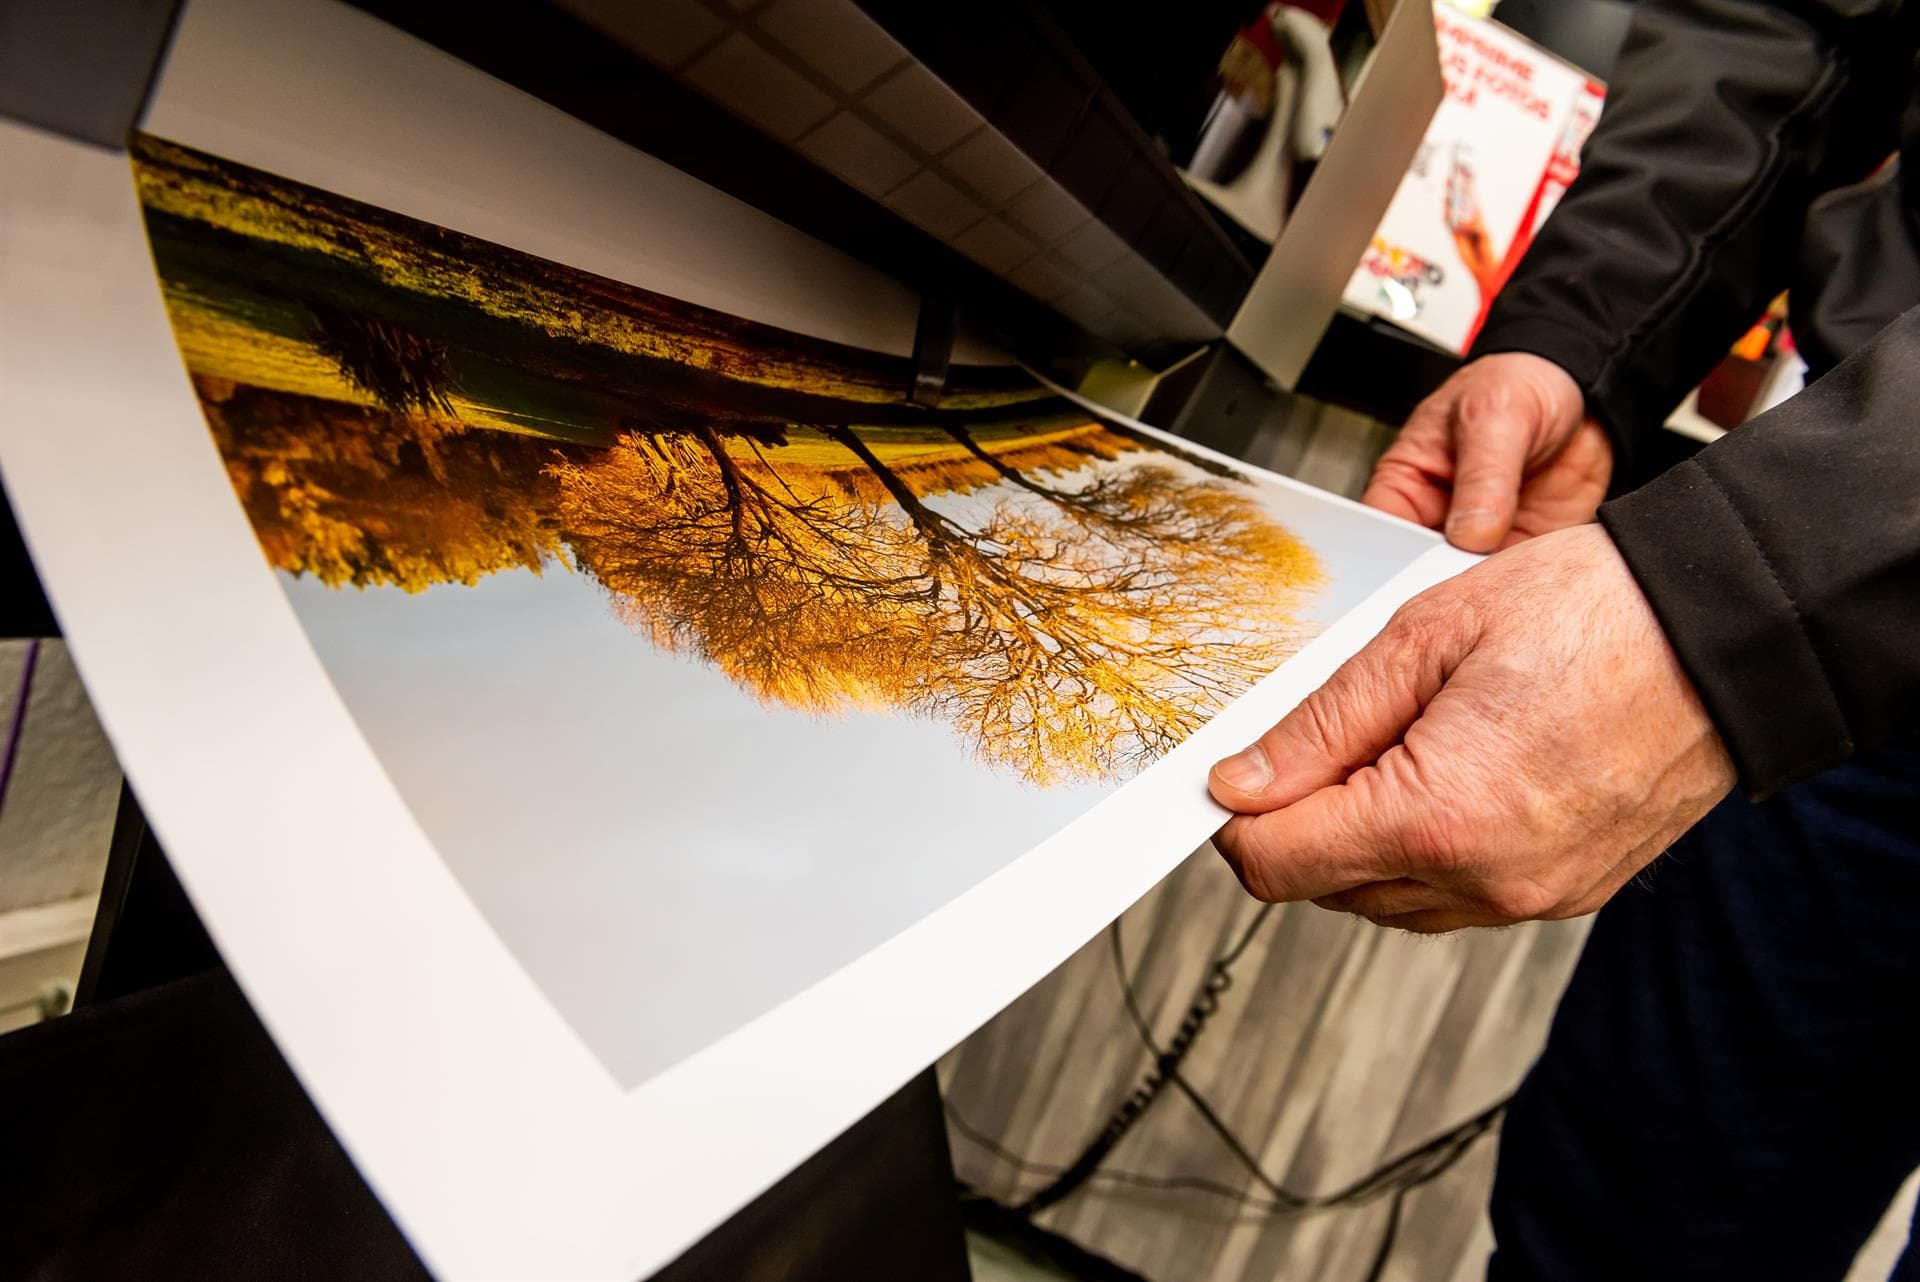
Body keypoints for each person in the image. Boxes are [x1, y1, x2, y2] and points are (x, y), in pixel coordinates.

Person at [1205, 0, 1920, 1275]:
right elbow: (1801, 25)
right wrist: (1586, 343)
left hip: (1835, 573)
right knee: (1623, 1224)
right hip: (1857, 672)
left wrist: (1766, 587)